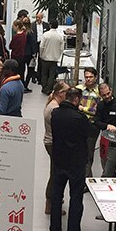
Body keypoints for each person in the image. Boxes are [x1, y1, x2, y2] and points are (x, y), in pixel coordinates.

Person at [50, 88, 101, 231]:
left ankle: (55, 230)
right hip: (76, 163)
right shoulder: (79, 118)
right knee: (76, 199)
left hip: (59, 161)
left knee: (57, 197)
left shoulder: (56, 114)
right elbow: (90, 132)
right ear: (77, 100)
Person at [43, 81, 69, 215]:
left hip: (50, 142)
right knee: (55, 175)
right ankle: (51, 203)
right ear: (60, 93)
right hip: (53, 144)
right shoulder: (54, 109)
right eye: (66, 92)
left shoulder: (52, 105)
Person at [76, 67, 102, 178]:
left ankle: (87, 178)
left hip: (92, 126)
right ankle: (85, 176)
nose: (88, 79)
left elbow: (97, 111)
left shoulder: (99, 92)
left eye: (91, 77)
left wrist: (83, 109)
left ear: (95, 78)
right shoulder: (78, 89)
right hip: (79, 125)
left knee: (89, 152)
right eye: (86, 77)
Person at [39, 20, 64, 95]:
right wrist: (59, 56)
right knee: (51, 74)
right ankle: (49, 89)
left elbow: (41, 46)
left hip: (45, 57)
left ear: (50, 25)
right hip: (54, 58)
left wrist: (41, 54)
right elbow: (61, 48)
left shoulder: (46, 34)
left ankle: (44, 87)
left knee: (44, 73)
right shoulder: (60, 36)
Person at [32, 12, 51, 83]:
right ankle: (33, 77)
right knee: (33, 61)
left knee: (41, 61)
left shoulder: (46, 25)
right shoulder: (32, 25)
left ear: (42, 18)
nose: (37, 19)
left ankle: (40, 77)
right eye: (37, 17)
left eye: (39, 17)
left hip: (42, 44)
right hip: (34, 44)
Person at [22, 17, 38, 92]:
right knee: (30, 70)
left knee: (22, 70)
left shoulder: (21, 32)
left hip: (22, 53)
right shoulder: (31, 32)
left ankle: (22, 85)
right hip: (29, 54)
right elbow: (33, 43)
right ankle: (25, 85)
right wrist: (34, 52)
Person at [9, 19, 27, 84]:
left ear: (17, 26)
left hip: (15, 56)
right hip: (22, 56)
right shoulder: (24, 35)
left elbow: (11, 46)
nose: (13, 28)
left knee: (14, 72)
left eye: (13, 26)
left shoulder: (16, 37)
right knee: (21, 72)